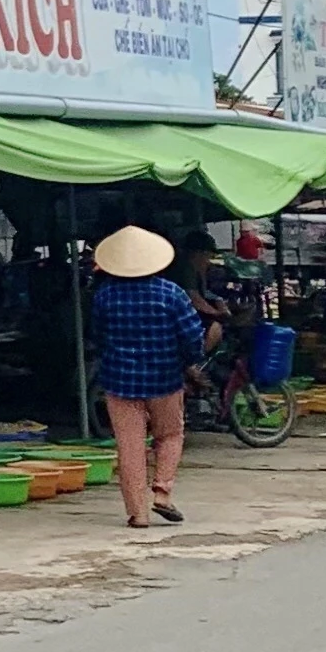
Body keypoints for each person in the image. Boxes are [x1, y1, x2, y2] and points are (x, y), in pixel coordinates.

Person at [89, 220, 203, 531]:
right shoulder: (172, 294)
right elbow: (192, 336)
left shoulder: (105, 296)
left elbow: (98, 336)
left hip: (119, 381)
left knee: (130, 446)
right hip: (165, 379)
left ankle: (138, 514)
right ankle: (163, 493)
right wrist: (191, 364)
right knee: (170, 435)